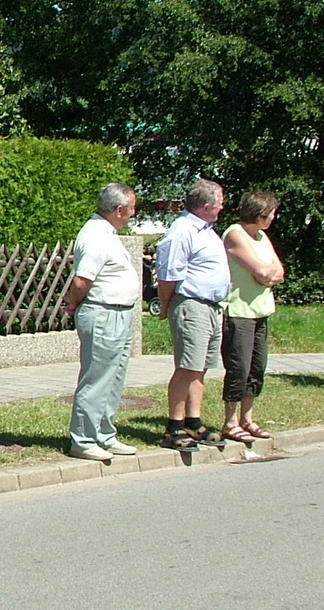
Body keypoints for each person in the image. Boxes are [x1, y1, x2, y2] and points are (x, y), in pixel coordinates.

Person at [61, 182, 141, 461]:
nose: (133, 214)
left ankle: (104, 434)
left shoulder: (108, 233)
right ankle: (83, 439)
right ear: (119, 210)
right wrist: (74, 303)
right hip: (103, 313)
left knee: (114, 378)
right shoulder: (95, 235)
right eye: (131, 209)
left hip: (119, 312)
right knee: (97, 378)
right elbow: (82, 280)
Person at [154, 178, 231, 451]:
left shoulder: (207, 231)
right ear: (207, 206)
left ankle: (193, 421)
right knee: (187, 367)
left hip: (211, 307)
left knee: (200, 367)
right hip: (191, 304)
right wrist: (165, 306)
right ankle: (174, 427)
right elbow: (168, 275)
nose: (223, 207)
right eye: (220, 203)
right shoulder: (182, 230)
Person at [220, 191, 285, 443]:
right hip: (239, 312)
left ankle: (248, 418)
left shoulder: (262, 236)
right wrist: (267, 274)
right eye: (271, 213)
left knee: (257, 367)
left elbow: (278, 271)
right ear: (259, 215)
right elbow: (260, 271)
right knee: (239, 367)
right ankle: (230, 421)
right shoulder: (235, 234)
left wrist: (269, 274)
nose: (273, 217)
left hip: (261, 310)